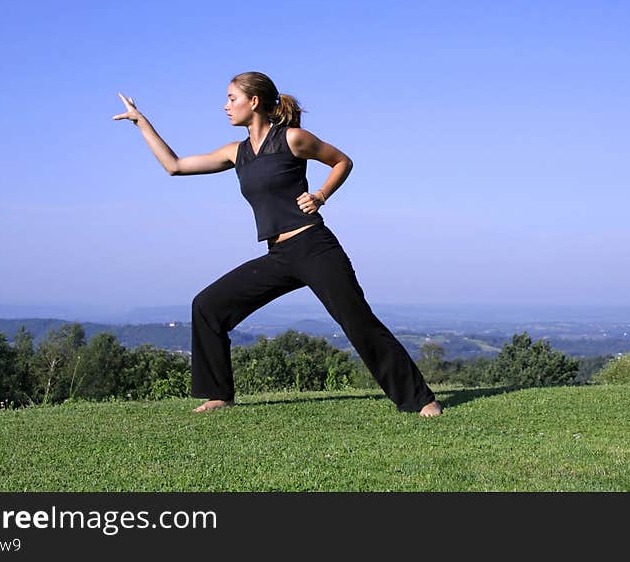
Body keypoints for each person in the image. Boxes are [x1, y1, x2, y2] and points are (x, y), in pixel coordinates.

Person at [112, 71, 442, 417]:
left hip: (314, 246)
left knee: (357, 321)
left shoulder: (292, 139)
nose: (225, 106)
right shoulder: (235, 152)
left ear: (253, 102)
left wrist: (321, 195)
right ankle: (219, 395)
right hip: (279, 255)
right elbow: (175, 166)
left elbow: (342, 160)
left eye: (231, 98)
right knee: (208, 305)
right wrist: (141, 122)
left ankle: (420, 399)